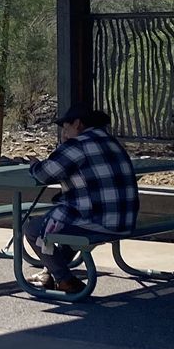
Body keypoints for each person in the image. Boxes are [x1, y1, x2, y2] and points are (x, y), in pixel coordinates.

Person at [20, 103, 138, 294]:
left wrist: (34, 164)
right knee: (64, 223)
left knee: (33, 228)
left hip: (97, 221)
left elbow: (44, 174)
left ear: (77, 124)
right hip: (125, 221)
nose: (64, 132)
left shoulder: (77, 145)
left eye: (65, 127)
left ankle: (64, 279)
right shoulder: (112, 142)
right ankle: (51, 272)